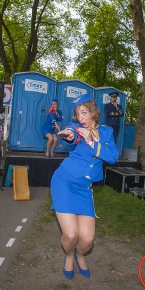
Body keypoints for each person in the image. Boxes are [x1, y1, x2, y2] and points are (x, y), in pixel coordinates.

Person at [52, 94, 119, 279]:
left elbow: (113, 157)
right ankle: (68, 255)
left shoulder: (106, 132)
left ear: (93, 112)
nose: (80, 117)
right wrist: (69, 134)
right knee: (71, 235)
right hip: (64, 181)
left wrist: (91, 141)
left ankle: (79, 254)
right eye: (77, 113)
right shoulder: (76, 128)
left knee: (88, 239)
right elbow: (71, 134)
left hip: (84, 188)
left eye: (83, 112)